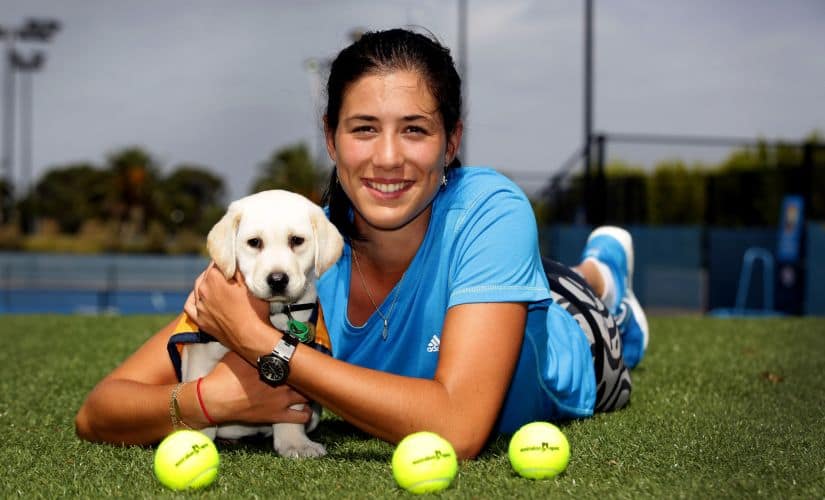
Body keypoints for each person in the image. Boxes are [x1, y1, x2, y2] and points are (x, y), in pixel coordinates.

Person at [75, 28, 648, 459]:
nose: (389, 157)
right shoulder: (296, 245)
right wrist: (207, 403)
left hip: (583, 342)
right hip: (487, 277)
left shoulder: (491, 208)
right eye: (364, 128)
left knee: (573, 291)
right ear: (331, 137)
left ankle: (604, 275)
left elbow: (458, 430)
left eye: (415, 129)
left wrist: (264, 347)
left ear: (452, 142)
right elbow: (100, 411)